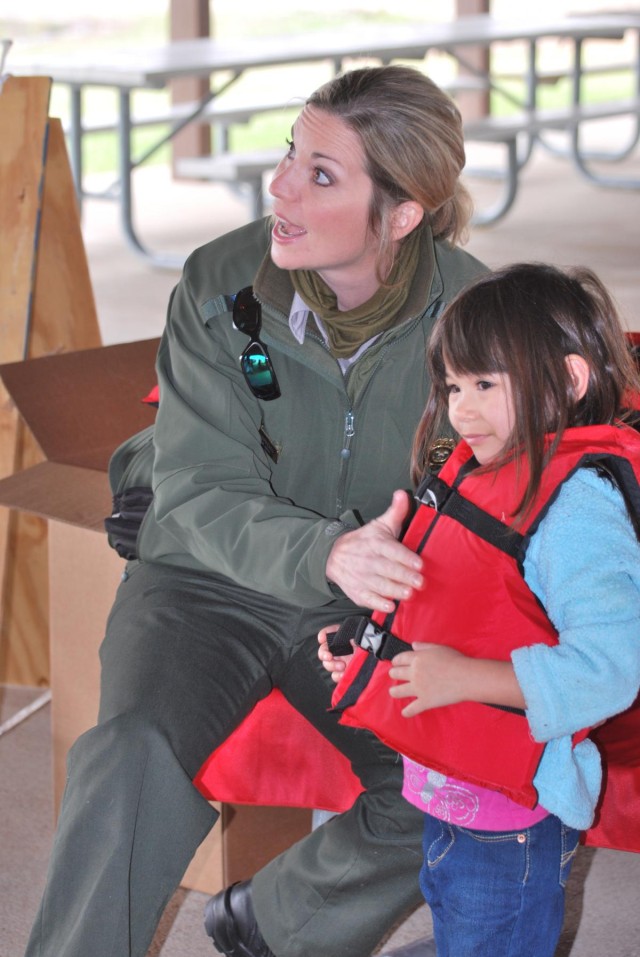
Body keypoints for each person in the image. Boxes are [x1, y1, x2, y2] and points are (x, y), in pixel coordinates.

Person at [24, 65, 488, 957]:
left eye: (322, 173)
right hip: (204, 578)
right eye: (289, 154)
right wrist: (325, 550)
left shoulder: (474, 311)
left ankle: (274, 924)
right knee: (128, 756)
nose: (278, 185)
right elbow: (197, 487)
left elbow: (500, 490)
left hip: (369, 601)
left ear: (402, 214)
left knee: (457, 785)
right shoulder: (219, 282)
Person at [319, 262, 640, 957]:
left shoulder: (577, 510)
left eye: (484, 384)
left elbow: (612, 668)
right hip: (451, 793)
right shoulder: (484, 474)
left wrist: (466, 677)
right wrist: (367, 644)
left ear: (570, 381)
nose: (460, 409)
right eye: (453, 386)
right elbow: (459, 605)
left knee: (491, 933)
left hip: (514, 818)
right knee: (459, 922)